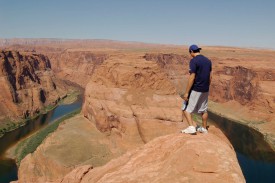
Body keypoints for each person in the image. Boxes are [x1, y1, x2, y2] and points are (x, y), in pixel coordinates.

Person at [181, 44, 212, 134]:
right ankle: (204, 128)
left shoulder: (194, 61)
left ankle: (191, 127)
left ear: (191, 51)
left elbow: (192, 77)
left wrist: (186, 93)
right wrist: (206, 87)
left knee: (185, 109)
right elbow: (210, 77)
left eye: (190, 52)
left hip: (196, 89)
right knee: (204, 110)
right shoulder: (208, 61)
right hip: (205, 89)